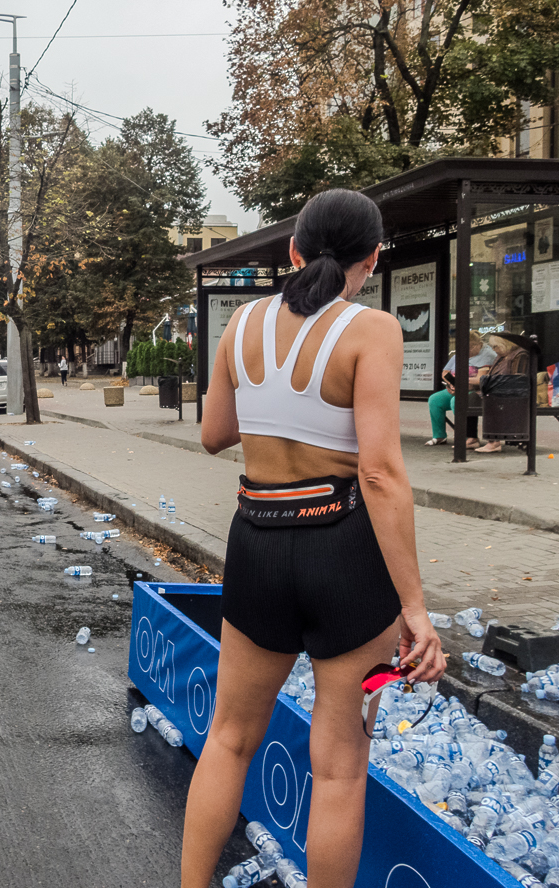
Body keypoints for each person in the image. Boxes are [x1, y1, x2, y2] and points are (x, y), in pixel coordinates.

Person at [186, 189, 445, 888]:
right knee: (337, 768)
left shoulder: (240, 325)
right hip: (343, 554)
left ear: (293, 253)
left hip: (258, 545)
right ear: (373, 260)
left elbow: (213, 436)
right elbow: (382, 473)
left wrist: (275, 405)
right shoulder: (373, 331)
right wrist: (415, 609)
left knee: (230, 739)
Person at [423, 331, 497, 448]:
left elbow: (480, 380)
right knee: (435, 400)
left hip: (474, 391)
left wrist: (461, 382)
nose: (467, 351)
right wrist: (450, 384)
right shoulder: (459, 354)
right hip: (456, 388)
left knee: (456, 402)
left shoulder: (487, 355)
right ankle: (439, 435)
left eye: (470, 347)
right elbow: (445, 372)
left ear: (478, 344)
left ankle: (467, 437)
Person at [470, 335, 533, 454]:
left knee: (491, 402)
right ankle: (470, 436)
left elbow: (517, 378)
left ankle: (493, 442)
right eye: (492, 347)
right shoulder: (500, 357)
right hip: (496, 390)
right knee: (468, 399)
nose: (494, 350)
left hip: (510, 393)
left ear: (504, 344)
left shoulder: (520, 355)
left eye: (496, 346)